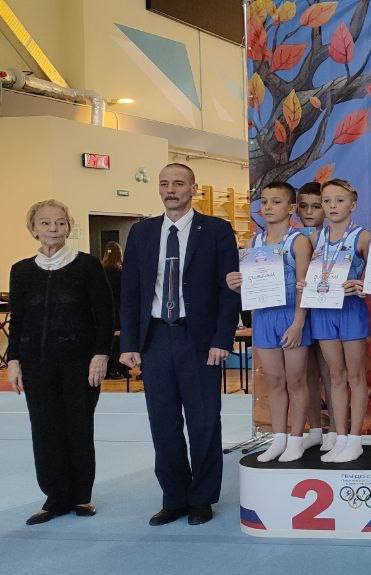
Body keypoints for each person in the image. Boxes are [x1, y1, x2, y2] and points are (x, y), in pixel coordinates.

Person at [119, 163, 240, 526]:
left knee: (204, 422)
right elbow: (130, 291)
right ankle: (174, 498)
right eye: (164, 184)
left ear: (193, 188)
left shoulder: (216, 230)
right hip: (155, 338)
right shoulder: (141, 232)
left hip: (199, 340)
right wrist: (129, 342)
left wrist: (222, 338)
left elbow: (229, 289)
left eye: (178, 183)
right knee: (163, 423)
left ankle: (201, 498)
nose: (170, 189)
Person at [7, 200, 113, 525]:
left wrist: (101, 354)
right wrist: (13, 360)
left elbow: (105, 315)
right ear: (33, 229)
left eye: (60, 222)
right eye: (45, 223)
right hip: (36, 363)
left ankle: (81, 496)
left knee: (78, 428)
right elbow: (18, 320)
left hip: (80, 364)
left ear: (69, 227)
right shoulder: (21, 271)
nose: (53, 228)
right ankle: (55, 497)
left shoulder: (87, 266)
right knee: (44, 430)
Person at [226, 182, 313, 462]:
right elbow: (251, 287)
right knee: (274, 380)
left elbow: (304, 285)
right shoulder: (254, 243)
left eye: (276, 202)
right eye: (264, 202)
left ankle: (296, 439)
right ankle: (279, 438)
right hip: (264, 317)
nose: (268, 207)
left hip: (291, 315)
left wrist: (298, 322)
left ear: (291, 208)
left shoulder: (298, 241)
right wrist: (236, 285)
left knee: (295, 381)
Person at [302, 179, 371, 464]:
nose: (332, 206)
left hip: (350, 310)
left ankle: (355, 438)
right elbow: (304, 272)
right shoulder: (313, 238)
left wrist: (363, 284)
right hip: (323, 311)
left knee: (355, 376)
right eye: (327, 201)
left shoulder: (362, 237)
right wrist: (303, 283)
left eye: (339, 200)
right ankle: (340, 436)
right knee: (335, 376)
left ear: (352, 205)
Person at [295, 182, 332, 451]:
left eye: (316, 206)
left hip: (327, 310)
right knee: (306, 373)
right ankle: (315, 429)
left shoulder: (336, 237)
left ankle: (335, 431)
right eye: (303, 206)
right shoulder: (291, 238)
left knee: (331, 372)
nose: (309, 212)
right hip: (298, 311)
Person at [101, 241, 126, 379]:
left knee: (106, 338)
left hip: (104, 310)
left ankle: (106, 369)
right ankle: (118, 369)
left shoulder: (100, 271)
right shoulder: (121, 272)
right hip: (119, 309)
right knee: (118, 338)